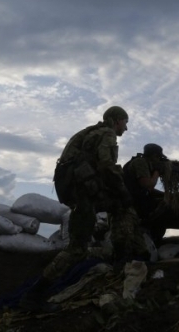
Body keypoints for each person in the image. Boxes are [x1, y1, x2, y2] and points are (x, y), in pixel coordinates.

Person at [19, 106, 149, 312]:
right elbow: (107, 165)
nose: (126, 128)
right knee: (77, 249)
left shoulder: (89, 132)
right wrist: (123, 191)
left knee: (119, 208)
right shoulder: (107, 134)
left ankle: (121, 258)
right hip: (84, 196)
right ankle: (33, 296)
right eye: (125, 122)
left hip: (80, 193)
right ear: (116, 121)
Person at [122, 143, 169, 244]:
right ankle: (154, 239)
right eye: (158, 158)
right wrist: (157, 171)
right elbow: (148, 185)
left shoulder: (141, 162)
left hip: (136, 201)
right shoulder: (140, 162)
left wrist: (165, 195)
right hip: (132, 204)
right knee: (164, 209)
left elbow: (149, 190)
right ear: (154, 156)